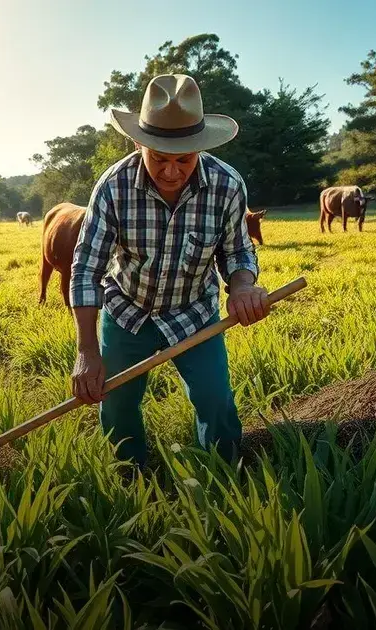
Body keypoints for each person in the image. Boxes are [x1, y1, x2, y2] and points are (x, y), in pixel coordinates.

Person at [69, 73, 269, 467]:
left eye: (184, 159)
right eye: (159, 158)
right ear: (139, 143)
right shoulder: (113, 187)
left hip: (194, 312)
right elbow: (86, 270)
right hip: (128, 310)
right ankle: (129, 478)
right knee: (117, 405)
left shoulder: (227, 186)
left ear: (200, 147)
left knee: (216, 400)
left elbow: (237, 253)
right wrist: (87, 351)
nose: (172, 172)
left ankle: (224, 477)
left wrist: (243, 287)